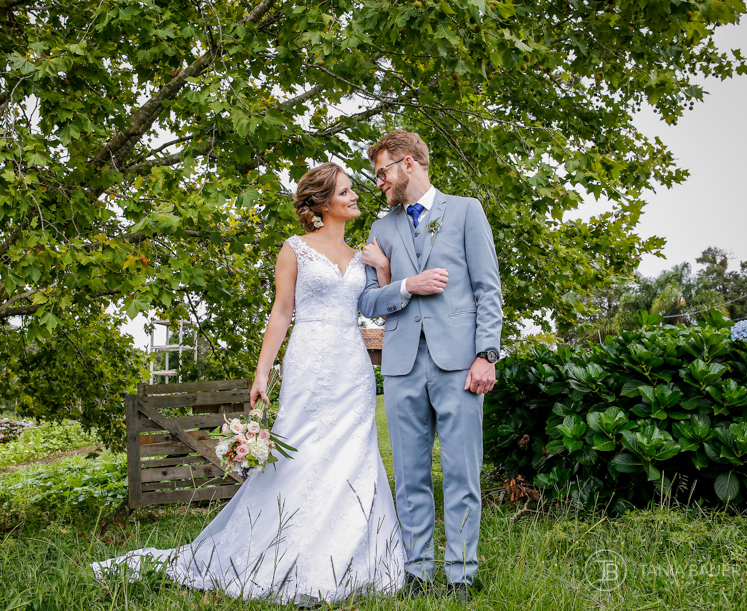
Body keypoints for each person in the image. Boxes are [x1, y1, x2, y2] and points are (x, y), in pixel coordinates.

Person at [92, 163, 405, 605]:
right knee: (299, 452)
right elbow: (281, 312)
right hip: (309, 360)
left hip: (352, 367)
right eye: (345, 191)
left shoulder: (363, 255)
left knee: (355, 452)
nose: (355, 196)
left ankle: (352, 554)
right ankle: (283, 546)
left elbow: (379, 308)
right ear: (321, 203)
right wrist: (263, 372)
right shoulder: (295, 249)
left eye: (353, 189)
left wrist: (385, 269)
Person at [357, 130, 503, 603]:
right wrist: (405, 285)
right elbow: (367, 301)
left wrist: (486, 354)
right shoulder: (381, 229)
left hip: (459, 364)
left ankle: (461, 575)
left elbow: (488, 290)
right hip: (401, 366)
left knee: (462, 473)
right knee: (410, 476)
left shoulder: (466, 211)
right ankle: (417, 572)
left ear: (409, 163)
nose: (379, 182)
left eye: (382, 171)